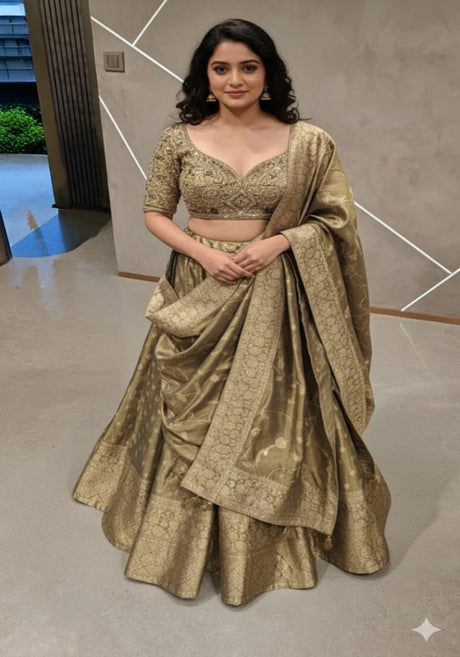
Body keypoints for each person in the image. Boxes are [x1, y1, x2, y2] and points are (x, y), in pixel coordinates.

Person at [73, 18, 391, 606]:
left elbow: (334, 219)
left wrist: (280, 242)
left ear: (269, 73)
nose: (235, 79)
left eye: (249, 66)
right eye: (221, 68)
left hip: (277, 288)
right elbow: (155, 212)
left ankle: (270, 526)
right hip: (201, 284)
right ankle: (184, 533)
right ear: (206, 75)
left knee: (274, 409)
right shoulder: (179, 139)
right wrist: (204, 255)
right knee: (191, 407)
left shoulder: (308, 142)